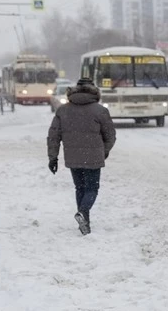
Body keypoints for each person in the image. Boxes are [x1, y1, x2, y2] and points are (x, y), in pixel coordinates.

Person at [47, 78, 117, 235]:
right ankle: (83, 213)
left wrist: (53, 157)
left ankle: (84, 223)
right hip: (93, 157)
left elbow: (53, 136)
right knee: (92, 188)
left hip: (73, 157)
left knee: (80, 188)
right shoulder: (99, 110)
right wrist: (103, 151)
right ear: (94, 91)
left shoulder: (63, 110)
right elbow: (110, 136)